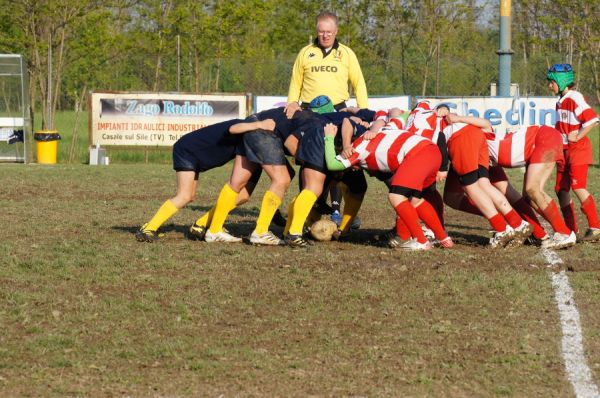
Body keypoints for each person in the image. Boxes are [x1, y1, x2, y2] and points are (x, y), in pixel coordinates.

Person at [284, 11, 369, 226]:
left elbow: (358, 82)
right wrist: (292, 102)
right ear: (316, 31)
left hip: (339, 112)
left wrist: (363, 110)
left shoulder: (347, 54)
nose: (325, 35)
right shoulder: (306, 52)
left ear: (336, 31)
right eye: (321, 31)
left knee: (338, 160)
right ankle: (309, 210)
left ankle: (337, 210)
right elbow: (296, 81)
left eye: (329, 32)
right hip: (309, 114)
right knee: (308, 160)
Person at [135, 118, 274, 242]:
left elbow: (243, 193)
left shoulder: (251, 143)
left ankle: (201, 224)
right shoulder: (243, 126)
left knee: (241, 196)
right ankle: (149, 228)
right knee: (185, 195)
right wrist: (260, 124)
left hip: (194, 155)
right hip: (187, 151)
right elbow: (233, 128)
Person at [323, 121, 452, 251]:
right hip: (432, 152)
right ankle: (443, 238)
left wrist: (328, 137)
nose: (356, 170)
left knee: (396, 196)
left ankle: (421, 241)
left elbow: (332, 165)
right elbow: (384, 121)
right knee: (415, 200)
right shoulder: (376, 135)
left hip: (418, 154)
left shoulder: (356, 150)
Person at [482, 125, 576, 249]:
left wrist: (457, 118)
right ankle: (540, 234)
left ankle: (564, 232)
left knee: (533, 189)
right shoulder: (480, 151)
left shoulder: (475, 138)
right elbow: (506, 191)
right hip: (535, 143)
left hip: (543, 137)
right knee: (528, 198)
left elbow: (484, 123)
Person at [546, 63, 600, 242]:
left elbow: (592, 119)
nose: (549, 86)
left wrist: (578, 135)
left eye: (551, 82)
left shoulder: (574, 97)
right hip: (563, 150)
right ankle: (571, 229)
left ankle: (595, 227)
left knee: (577, 186)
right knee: (560, 189)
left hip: (578, 149)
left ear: (562, 82)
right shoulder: (560, 101)